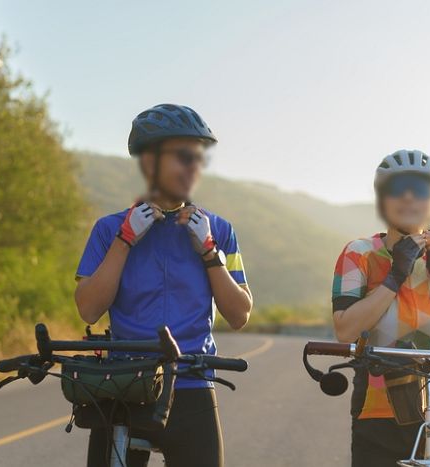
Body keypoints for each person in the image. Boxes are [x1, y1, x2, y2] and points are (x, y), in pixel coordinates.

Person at [74, 104, 253, 467]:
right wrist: (124, 241)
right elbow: (89, 309)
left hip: (193, 383)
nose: (195, 168)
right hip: (126, 385)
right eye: (184, 157)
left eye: (200, 158)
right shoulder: (109, 229)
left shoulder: (218, 230)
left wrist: (208, 251)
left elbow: (239, 314)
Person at [331, 149, 430, 466]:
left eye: (422, 189)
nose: (410, 198)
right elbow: (345, 329)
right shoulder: (360, 253)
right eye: (398, 188)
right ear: (383, 198)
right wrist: (395, 275)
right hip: (379, 408)